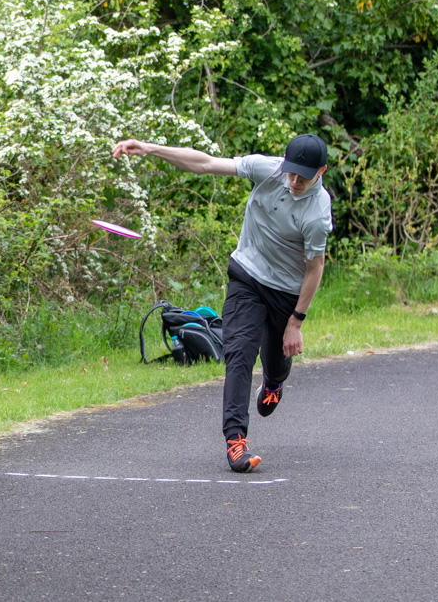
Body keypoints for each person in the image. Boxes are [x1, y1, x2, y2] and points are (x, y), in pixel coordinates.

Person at [111, 134, 333, 472]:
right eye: (291, 173)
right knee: (239, 353)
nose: (294, 181)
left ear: (321, 172)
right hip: (247, 276)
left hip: (286, 292)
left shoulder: (317, 214)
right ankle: (236, 441)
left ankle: (274, 382)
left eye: (303, 176)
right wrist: (149, 148)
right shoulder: (268, 170)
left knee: (275, 361)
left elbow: (315, 269)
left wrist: (296, 321)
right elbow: (205, 164)